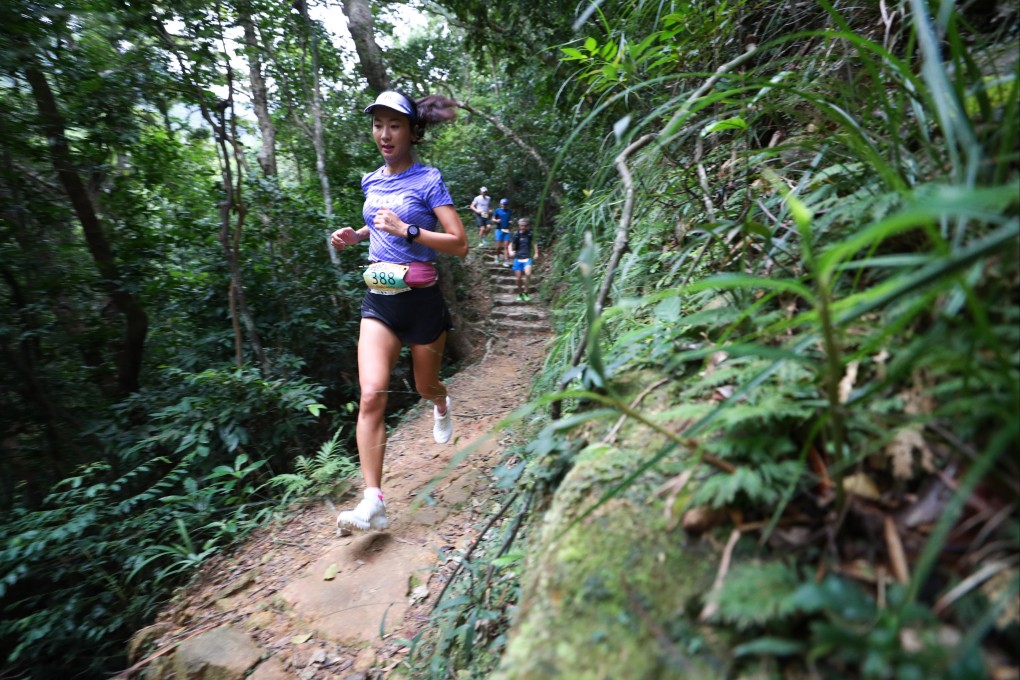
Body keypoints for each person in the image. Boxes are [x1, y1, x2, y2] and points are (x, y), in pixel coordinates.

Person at [329, 90, 468, 533]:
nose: (384, 134)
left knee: (426, 385)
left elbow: (459, 243)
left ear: (412, 131)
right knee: (371, 394)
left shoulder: (429, 180)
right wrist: (356, 235)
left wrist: (408, 230)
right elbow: (377, 224)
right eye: (378, 125)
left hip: (421, 301)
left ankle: (441, 401)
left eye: (394, 125)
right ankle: (373, 500)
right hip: (380, 299)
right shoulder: (371, 181)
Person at [509, 217, 539, 302]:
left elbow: (534, 243)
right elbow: (510, 244)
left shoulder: (530, 234)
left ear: (527, 226)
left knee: (528, 274)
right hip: (518, 258)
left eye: (525, 226)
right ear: (519, 225)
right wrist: (510, 251)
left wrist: (536, 253)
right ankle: (520, 293)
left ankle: (526, 292)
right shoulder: (516, 234)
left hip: (527, 257)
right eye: (522, 225)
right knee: (518, 279)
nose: (523, 227)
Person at [492, 198, 512, 266]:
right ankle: (497, 257)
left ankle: (506, 261)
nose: (504, 205)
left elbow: (509, 219)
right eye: (503, 204)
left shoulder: (509, 211)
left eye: (506, 204)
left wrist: (510, 222)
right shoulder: (497, 210)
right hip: (499, 229)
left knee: (506, 246)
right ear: (500, 204)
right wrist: (496, 220)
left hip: (507, 230)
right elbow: (493, 218)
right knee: (498, 247)